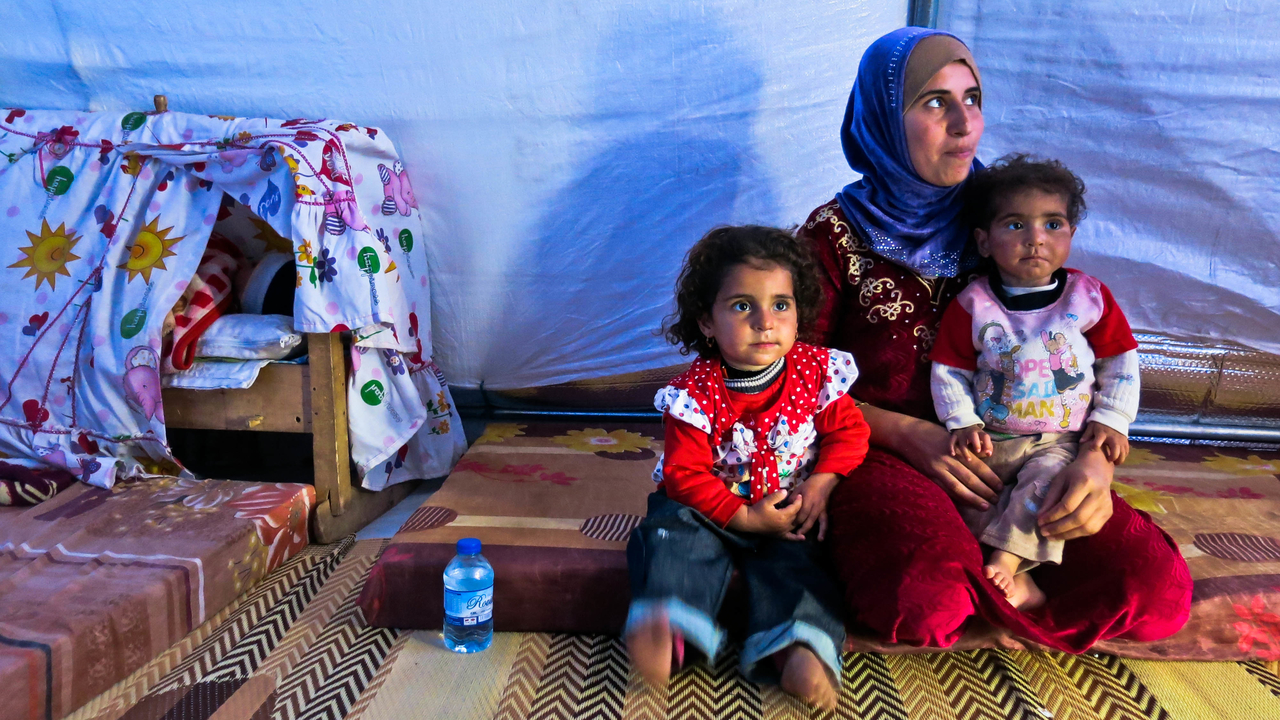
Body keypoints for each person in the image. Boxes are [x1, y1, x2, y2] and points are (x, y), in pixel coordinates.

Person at [796, 26, 1191, 652]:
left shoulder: (1005, 215)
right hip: (884, 453)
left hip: (1028, 448)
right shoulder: (832, 237)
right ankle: (995, 591)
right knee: (924, 602)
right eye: (934, 102)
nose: (964, 124)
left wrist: (1092, 461)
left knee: (1155, 592)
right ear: (881, 117)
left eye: (973, 98)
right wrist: (912, 435)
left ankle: (998, 590)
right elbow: (794, 377)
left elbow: (1080, 343)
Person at [625, 225, 870, 710]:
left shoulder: (817, 375)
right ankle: (670, 621)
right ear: (707, 322)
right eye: (742, 306)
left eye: (781, 304)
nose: (765, 321)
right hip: (706, 506)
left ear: (799, 313)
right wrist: (741, 518)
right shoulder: (694, 395)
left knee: (801, 565)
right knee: (670, 537)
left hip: (788, 506)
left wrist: (822, 484)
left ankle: (799, 646)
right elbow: (685, 476)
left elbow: (851, 432)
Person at [930, 155, 1141, 609]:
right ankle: (1023, 581)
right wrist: (960, 421)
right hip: (991, 441)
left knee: (1045, 489)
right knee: (970, 504)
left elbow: (1120, 362)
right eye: (1015, 226)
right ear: (984, 241)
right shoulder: (973, 303)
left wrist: (1113, 418)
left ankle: (1005, 566)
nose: (1035, 240)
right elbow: (950, 371)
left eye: (1052, 225)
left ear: (1071, 236)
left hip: (1057, 441)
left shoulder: (1087, 297)